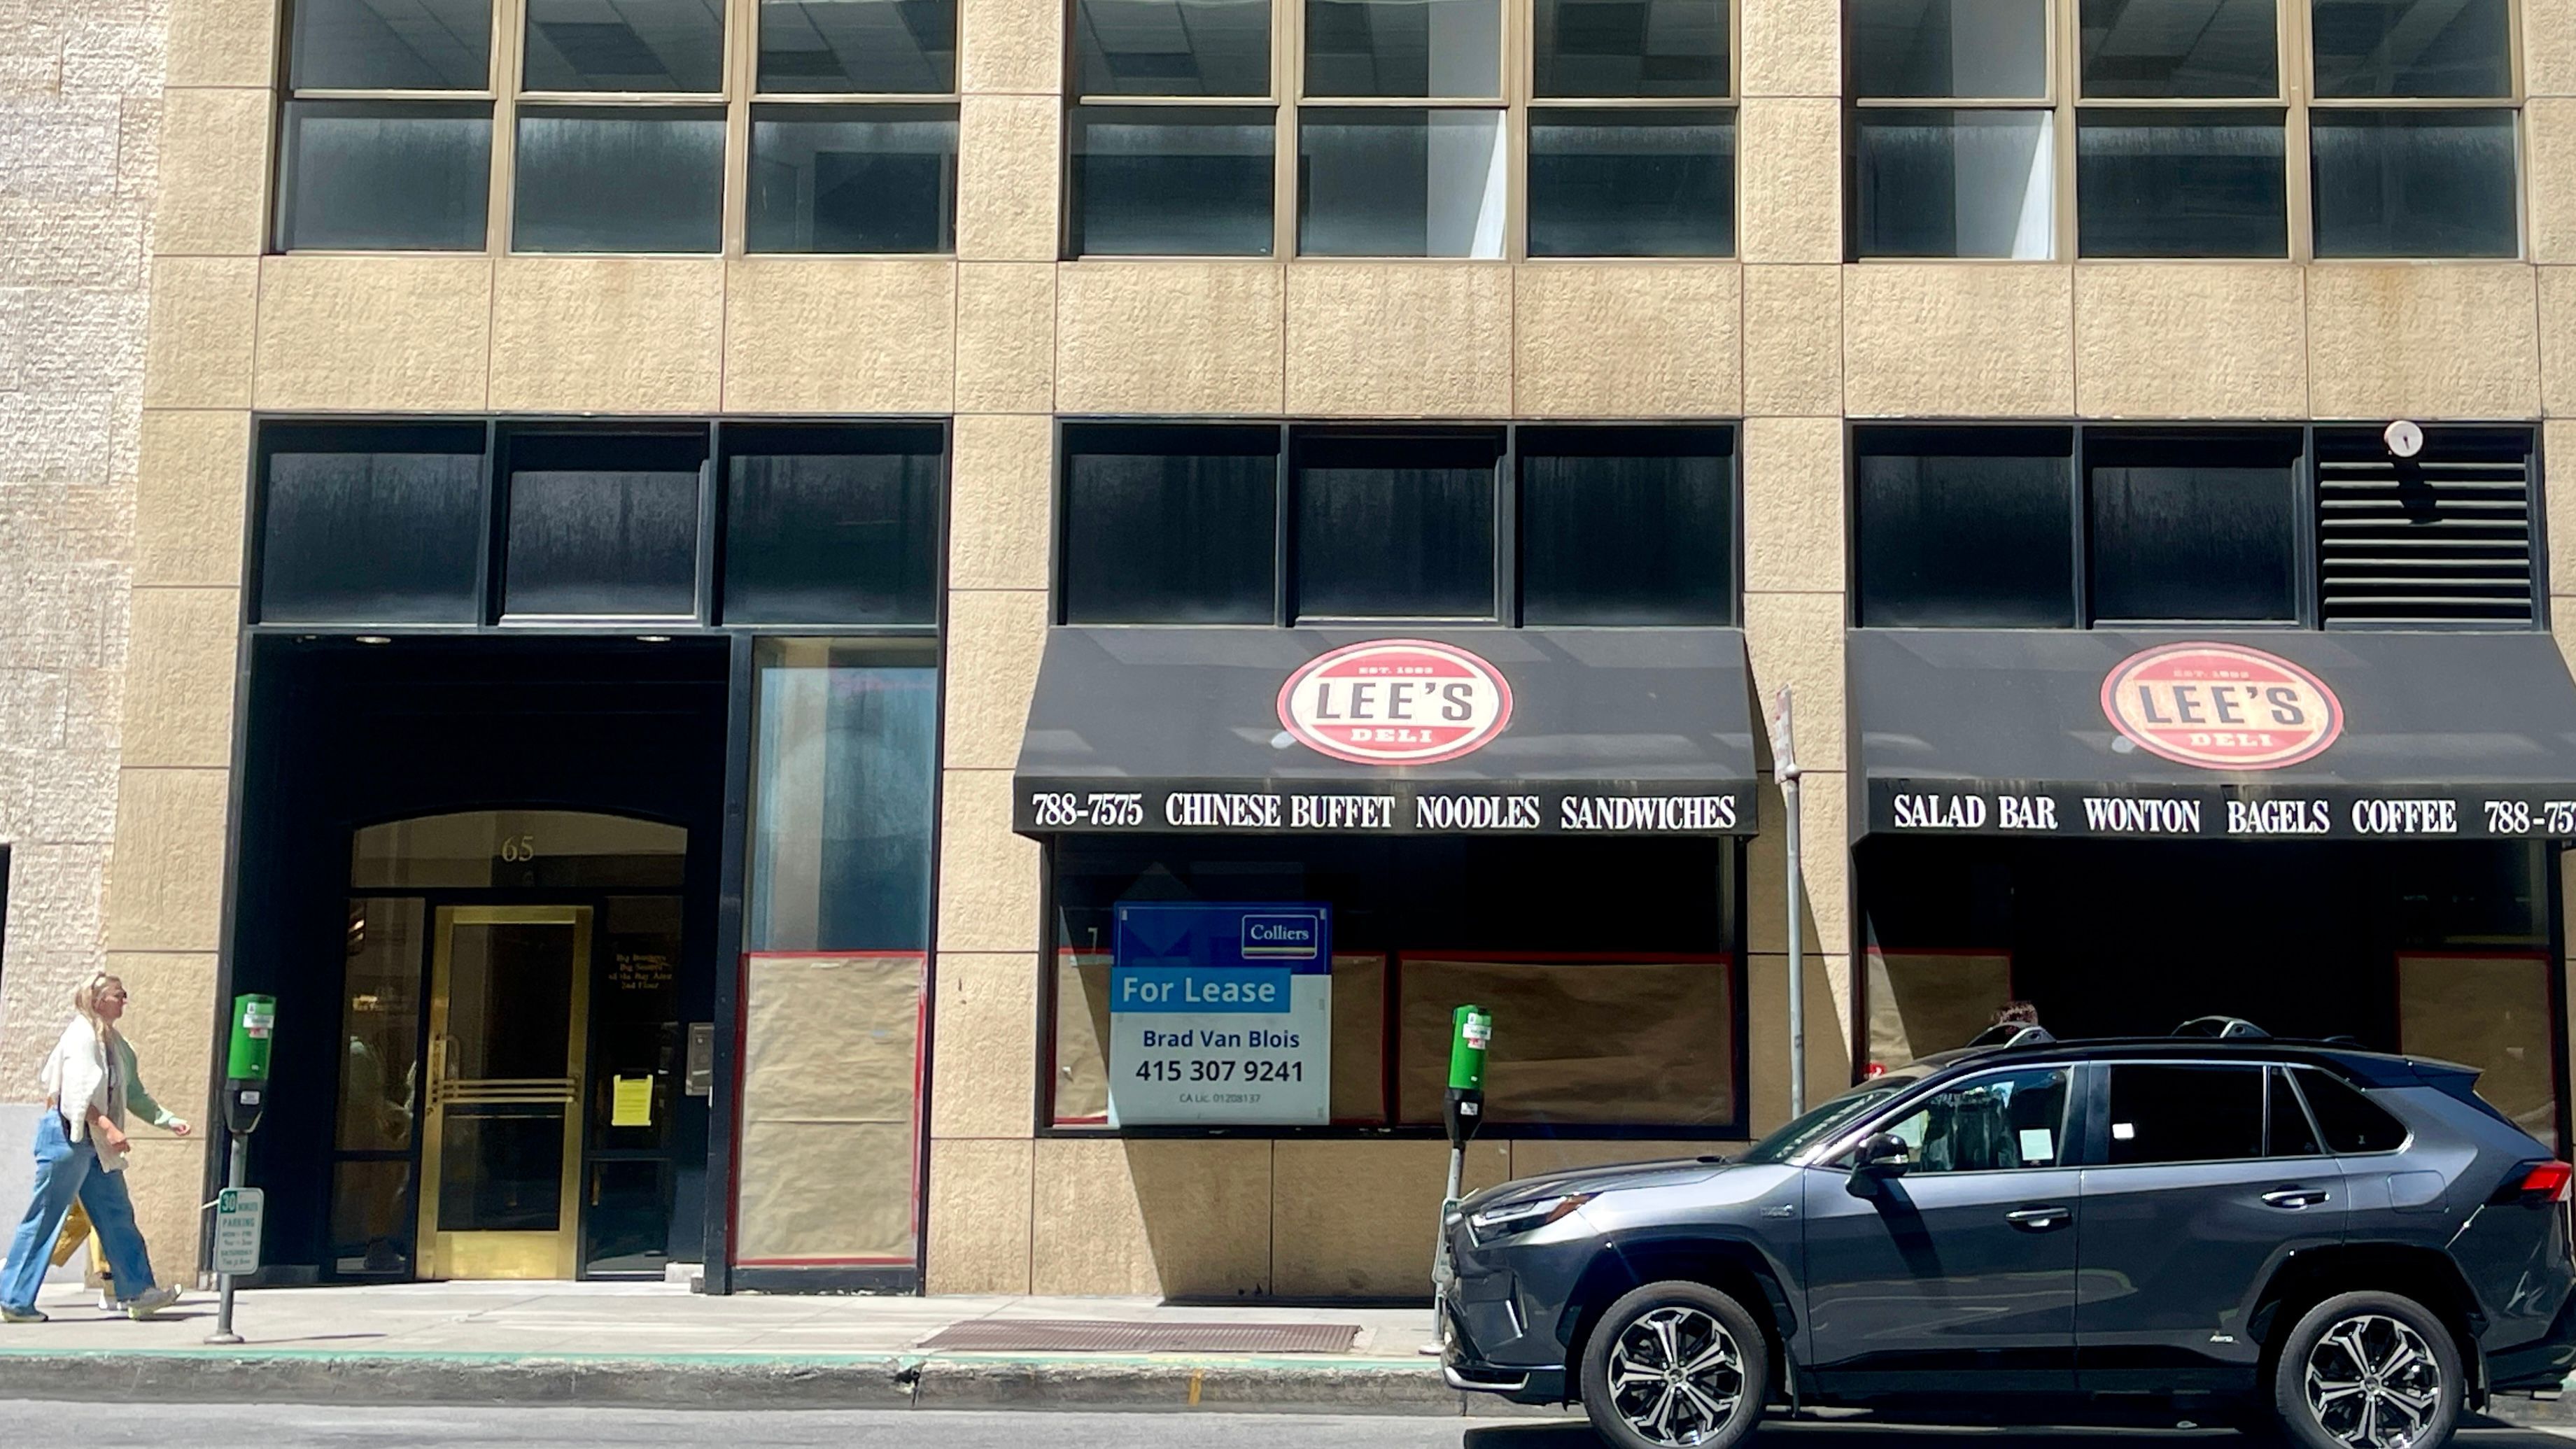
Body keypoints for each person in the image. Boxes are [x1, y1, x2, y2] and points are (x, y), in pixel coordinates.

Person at [1, 972, 191, 1322]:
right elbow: (73, 1098)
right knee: (45, 1218)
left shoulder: (116, 1044)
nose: (125, 1001)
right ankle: (12, 1299)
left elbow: (133, 1094)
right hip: (66, 1139)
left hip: (95, 1145)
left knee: (117, 1215)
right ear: (98, 999)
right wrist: (109, 1127)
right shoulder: (81, 1037)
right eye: (119, 994)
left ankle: (138, 1292)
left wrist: (168, 1120)